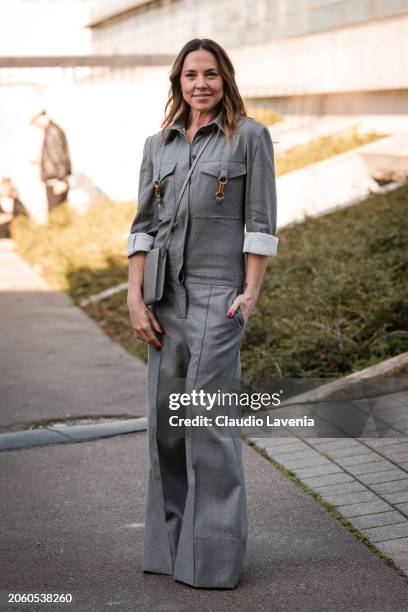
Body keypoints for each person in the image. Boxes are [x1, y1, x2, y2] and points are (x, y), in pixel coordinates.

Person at [127, 38, 278, 589]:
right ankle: (170, 551)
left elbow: (259, 222)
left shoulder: (250, 138)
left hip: (220, 297)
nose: (201, 84)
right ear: (178, 82)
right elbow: (142, 226)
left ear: (225, 78)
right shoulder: (157, 145)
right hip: (164, 297)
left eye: (210, 74)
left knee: (208, 427)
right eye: (191, 75)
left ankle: (212, 562)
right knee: (167, 429)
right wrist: (134, 295)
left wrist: (251, 292)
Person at [30, 110, 72, 212]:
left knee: (58, 214)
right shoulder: (50, 130)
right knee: (58, 213)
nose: (37, 126)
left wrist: (62, 180)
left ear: (42, 116)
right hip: (55, 180)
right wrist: (42, 161)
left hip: (56, 181)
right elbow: (54, 155)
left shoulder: (52, 131)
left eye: (36, 122)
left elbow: (59, 157)